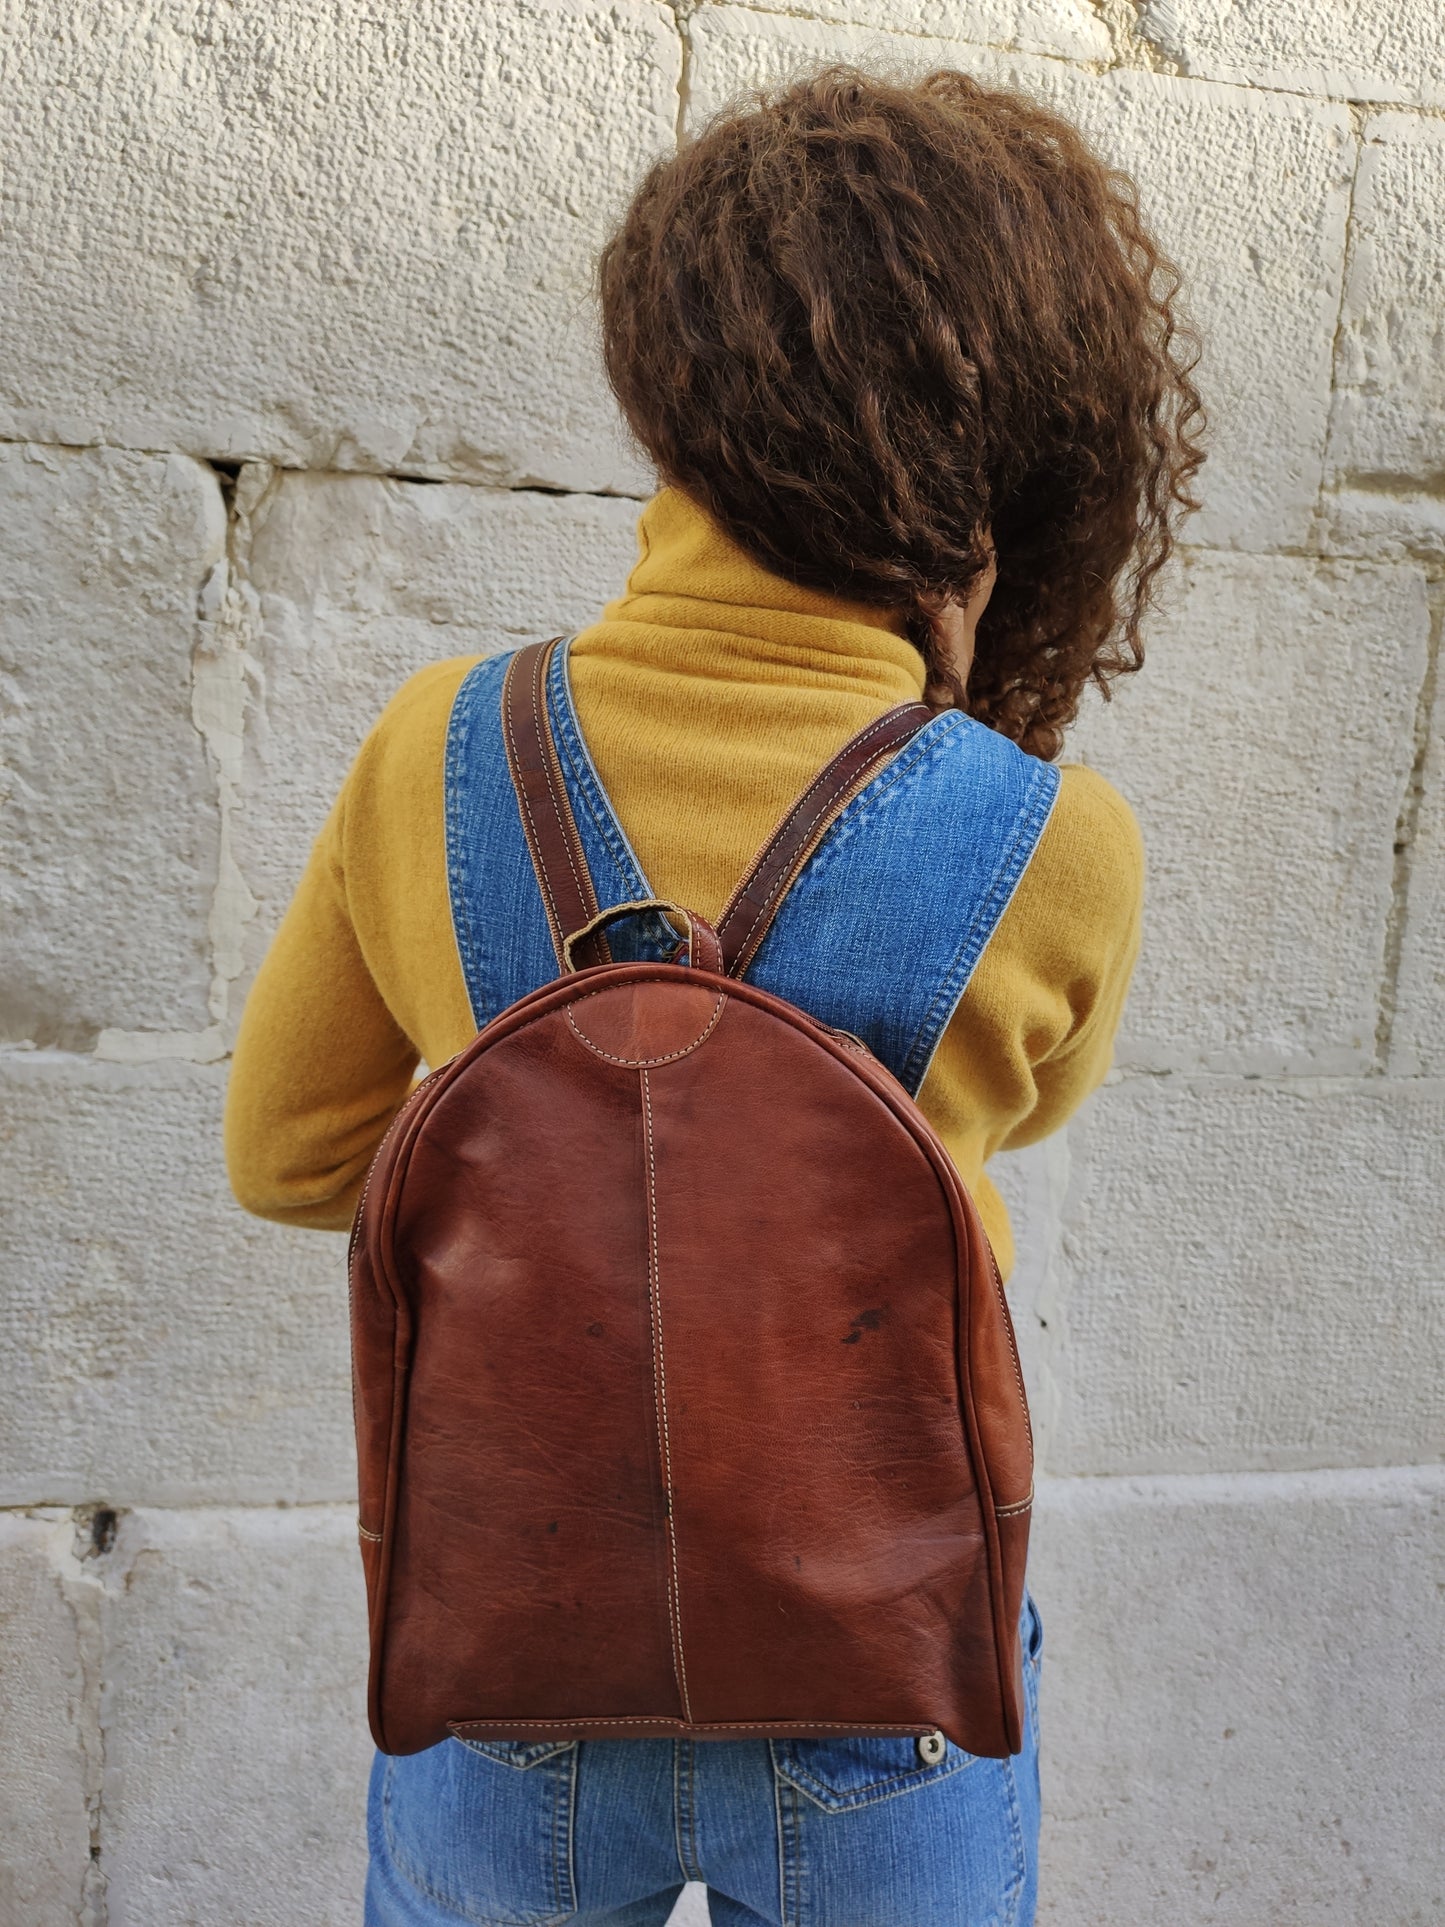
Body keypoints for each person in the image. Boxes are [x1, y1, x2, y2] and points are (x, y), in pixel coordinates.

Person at [226, 65, 1203, 1927]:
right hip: (883, 1664)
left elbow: (286, 1159)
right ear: (1018, 424)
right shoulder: (1050, 840)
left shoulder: (433, 750)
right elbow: (1010, 1122)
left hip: (512, 1649)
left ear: (664, 383)